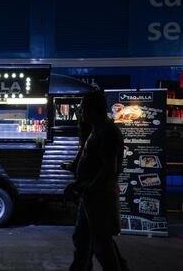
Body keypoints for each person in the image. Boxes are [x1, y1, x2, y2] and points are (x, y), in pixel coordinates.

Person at [63, 91, 130, 271]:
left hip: (100, 197)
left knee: (101, 244)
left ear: (93, 109)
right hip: (90, 197)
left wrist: (86, 187)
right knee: (83, 238)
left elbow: (109, 169)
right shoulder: (96, 130)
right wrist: (74, 168)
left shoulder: (108, 132)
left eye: (83, 108)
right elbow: (92, 160)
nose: (81, 112)